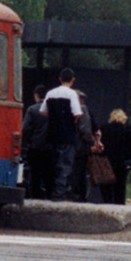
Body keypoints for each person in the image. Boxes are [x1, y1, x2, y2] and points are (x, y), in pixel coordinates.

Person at [39, 68, 83, 201]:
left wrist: (54, 117)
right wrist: (71, 121)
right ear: (73, 80)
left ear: (59, 78)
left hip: (51, 134)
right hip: (67, 135)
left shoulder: (50, 93)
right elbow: (77, 113)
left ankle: (49, 191)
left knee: (51, 164)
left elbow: (42, 111)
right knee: (65, 165)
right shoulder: (72, 94)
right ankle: (59, 194)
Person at [99, 109, 131, 205]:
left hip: (106, 160)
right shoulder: (127, 129)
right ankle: (119, 205)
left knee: (106, 186)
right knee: (120, 186)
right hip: (122, 161)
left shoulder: (104, 128)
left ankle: (107, 204)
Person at [21, 85, 52, 199]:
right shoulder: (52, 110)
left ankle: (35, 197)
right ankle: (49, 197)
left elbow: (25, 128)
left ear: (36, 95)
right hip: (50, 148)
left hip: (35, 147)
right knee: (49, 174)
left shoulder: (32, 110)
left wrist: (28, 141)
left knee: (35, 174)